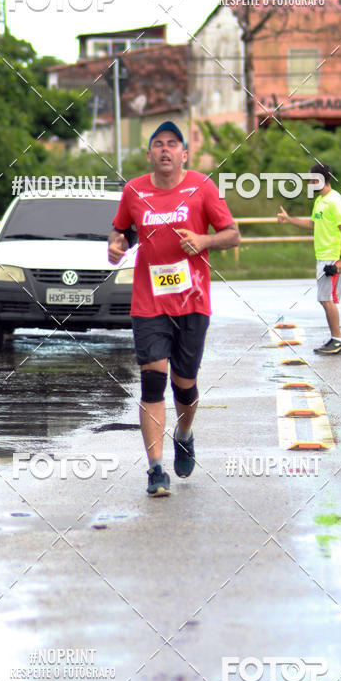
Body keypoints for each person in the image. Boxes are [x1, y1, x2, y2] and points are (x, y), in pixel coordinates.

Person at [108, 121, 240, 496]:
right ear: (150, 153)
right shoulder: (134, 190)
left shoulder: (202, 187)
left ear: (184, 154)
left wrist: (203, 240)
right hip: (149, 302)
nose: (164, 149)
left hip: (192, 301)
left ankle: (184, 433)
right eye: (158, 144)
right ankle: (155, 469)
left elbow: (232, 234)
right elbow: (121, 230)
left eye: (172, 144)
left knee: (185, 383)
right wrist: (116, 246)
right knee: (153, 380)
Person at [277, 163, 341, 354]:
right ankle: (336, 338)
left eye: (311, 179)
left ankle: (337, 340)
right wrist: (289, 219)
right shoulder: (320, 200)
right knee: (325, 299)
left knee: (326, 299)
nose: (309, 183)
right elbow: (312, 224)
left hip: (332, 258)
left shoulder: (335, 201)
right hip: (322, 257)